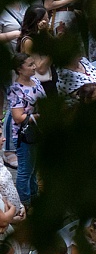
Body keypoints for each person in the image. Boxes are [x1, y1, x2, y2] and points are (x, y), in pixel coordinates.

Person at [8, 54, 43, 204]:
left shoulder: (35, 81)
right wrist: (39, 116)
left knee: (34, 169)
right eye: (30, 65)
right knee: (25, 171)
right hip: (24, 136)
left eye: (33, 64)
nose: (34, 67)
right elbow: (18, 117)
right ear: (19, 69)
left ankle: (34, 195)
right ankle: (26, 203)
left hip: (38, 132)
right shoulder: (15, 90)